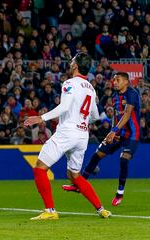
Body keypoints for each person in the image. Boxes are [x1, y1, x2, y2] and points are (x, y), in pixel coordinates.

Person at [24, 53, 111, 220]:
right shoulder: (91, 88)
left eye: (72, 61)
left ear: (76, 65)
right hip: (82, 135)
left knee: (40, 168)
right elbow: (94, 116)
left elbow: (64, 107)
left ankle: (50, 211)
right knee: (74, 175)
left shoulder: (69, 83)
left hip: (67, 132)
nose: (70, 63)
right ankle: (101, 209)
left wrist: (41, 118)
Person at [62, 72, 140, 206]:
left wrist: (113, 131)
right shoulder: (115, 96)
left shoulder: (132, 93)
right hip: (117, 133)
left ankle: (119, 193)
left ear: (126, 81)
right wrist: (113, 131)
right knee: (96, 155)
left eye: (118, 80)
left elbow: (127, 114)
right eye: (114, 80)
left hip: (132, 134)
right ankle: (79, 185)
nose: (114, 82)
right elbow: (116, 116)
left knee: (123, 158)